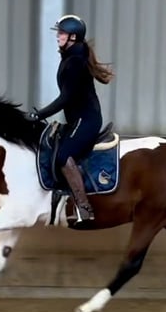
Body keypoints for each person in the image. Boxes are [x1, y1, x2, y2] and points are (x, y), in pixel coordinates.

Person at [28, 14, 114, 225]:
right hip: (79, 119)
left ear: (73, 37)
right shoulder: (72, 57)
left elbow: (66, 98)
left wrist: (39, 115)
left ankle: (84, 208)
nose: (58, 36)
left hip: (86, 120)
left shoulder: (74, 62)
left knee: (63, 155)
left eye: (62, 33)